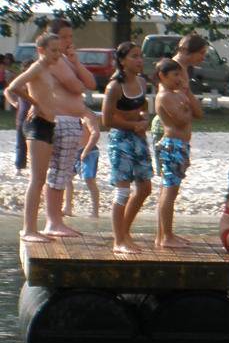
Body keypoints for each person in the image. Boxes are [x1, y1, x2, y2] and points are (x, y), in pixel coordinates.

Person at [5, 30, 94, 240]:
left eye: (58, 50)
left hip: (48, 124)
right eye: (53, 51)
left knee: (42, 178)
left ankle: (41, 226)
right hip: (37, 125)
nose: (57, 54)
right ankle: (29, 230)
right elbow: (14, 87)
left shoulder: (47, 68)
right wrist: (33, 104)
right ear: (41, 50)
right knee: (37, 180)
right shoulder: (37, 67)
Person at [101, 42, 154, 252]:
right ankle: (119, 241)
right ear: (122, 61)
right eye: (134, 56)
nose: (139, 60)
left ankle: (125, 232)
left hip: (138, 138)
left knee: (145, 188)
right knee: (123, 191)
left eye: (140, 56)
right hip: (120, 140)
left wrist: (144, 118)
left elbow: (143, 106)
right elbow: (106, 120)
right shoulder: (114, 87)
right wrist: (132, 125)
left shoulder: (141, 81)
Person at [151, 57, 201, 247]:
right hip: (172, 145)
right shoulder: (164, 96)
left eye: (181, 74)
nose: (179, 79)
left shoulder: (178, 94)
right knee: (169, 191)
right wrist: (186, 107)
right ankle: (166, 237)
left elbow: (199, 113)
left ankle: (163, 235)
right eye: (175, 75)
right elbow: (181, 120)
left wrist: (188, 96)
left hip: (182, 145)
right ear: (162, 76)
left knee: (170, 190)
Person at [73, 119, 101, 219]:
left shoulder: (87, 118)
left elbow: (95, 134)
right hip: (75, 152)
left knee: (89, 180)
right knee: (67, 177)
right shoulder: (71, 116)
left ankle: (95, 212)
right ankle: (67, 207)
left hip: (89, 151)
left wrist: (86, 151)